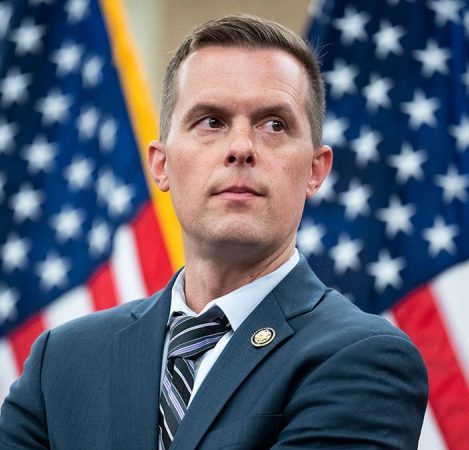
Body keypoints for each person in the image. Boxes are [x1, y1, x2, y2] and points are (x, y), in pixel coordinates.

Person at [0, 14, 428, 449]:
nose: (241, 147)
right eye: (211, 121)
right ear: (161, 165)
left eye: (274, 124)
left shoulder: (366, 358)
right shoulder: (60, 362)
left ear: (316, 171)